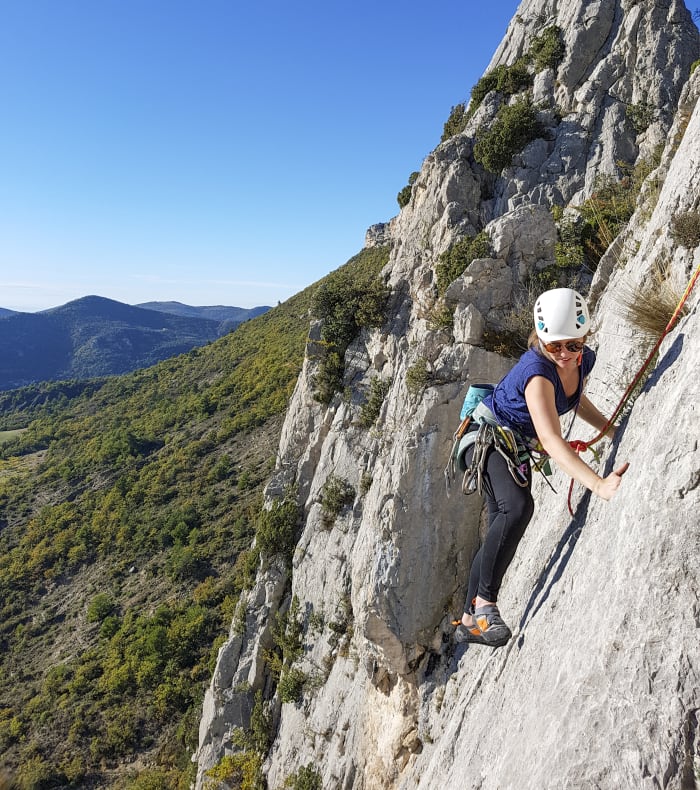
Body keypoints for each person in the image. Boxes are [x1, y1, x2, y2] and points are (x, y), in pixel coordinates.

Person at [454, 288, 629, 647]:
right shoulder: (537, 374)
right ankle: (485, 607)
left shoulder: (581, 360)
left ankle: (468, 620)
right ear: (541, 341)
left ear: (584, 339)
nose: (564, 355)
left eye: (573, 346)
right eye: (555, 347)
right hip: (485, 440)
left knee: (503, 519)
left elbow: (574, 399)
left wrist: (610, 429)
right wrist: (598, 485)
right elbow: (551, 440)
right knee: (516, 508)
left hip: (509, 444)